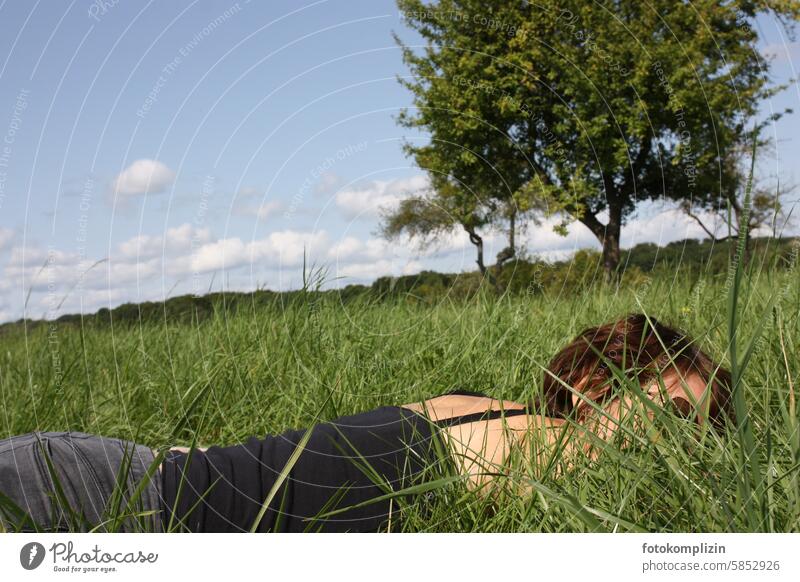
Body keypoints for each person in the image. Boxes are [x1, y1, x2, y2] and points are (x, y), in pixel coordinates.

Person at [0, 313, 734, 533]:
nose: (683, 448)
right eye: (672, 413)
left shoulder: (475, 403)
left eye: (697, 432)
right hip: (113, 510)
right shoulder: (546, 455)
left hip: (111, 470)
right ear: (586, 386)